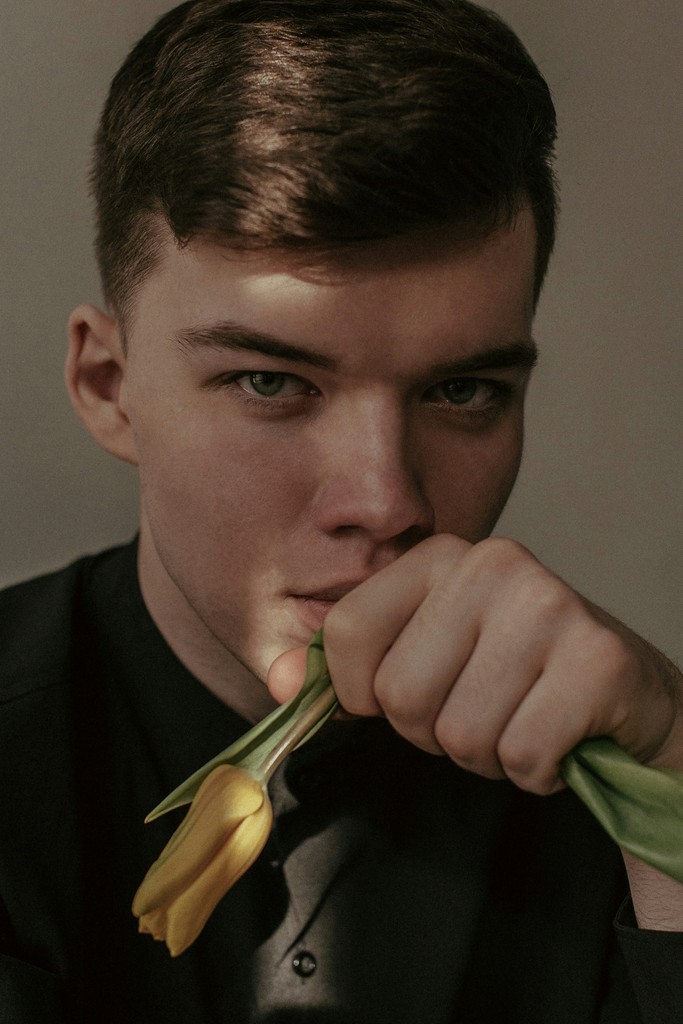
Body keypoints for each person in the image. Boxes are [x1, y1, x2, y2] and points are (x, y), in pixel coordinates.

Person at [1, 0, 682, 1020]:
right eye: (270, 383)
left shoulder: (622, 779)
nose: (385, 502)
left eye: (461, 392)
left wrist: (673, 780)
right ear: (109, 386)